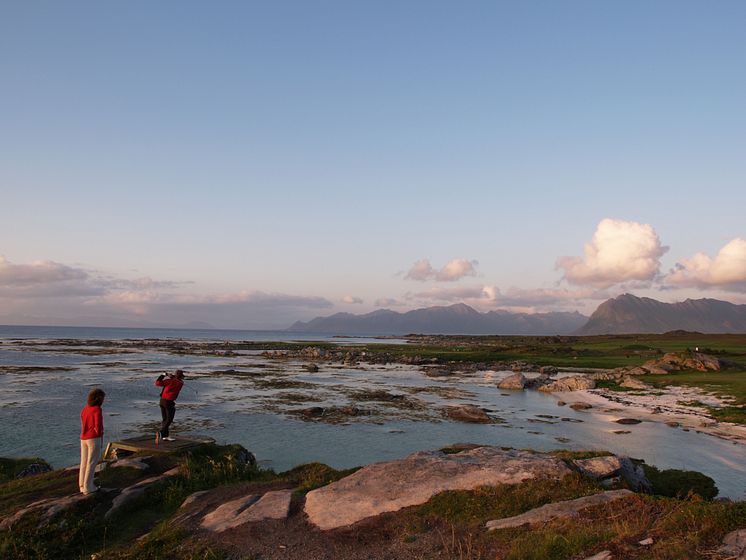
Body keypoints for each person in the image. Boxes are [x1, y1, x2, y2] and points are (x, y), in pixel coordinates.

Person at [79, 388, 105, 494]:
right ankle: (89, 487)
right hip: (93, 438)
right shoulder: (97, 409)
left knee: (84, 462)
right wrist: (101, 434)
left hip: (84, 437)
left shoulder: (85, 409)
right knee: (92, 462)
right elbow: (97, 425)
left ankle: (82, 485)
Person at [155, 369, 184, 442]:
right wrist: (171, 376)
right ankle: (161, 432)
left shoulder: (169, 381)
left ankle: (165, 436)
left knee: (165, 419)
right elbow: (177, 380)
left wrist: (163, 375)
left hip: (162, 401)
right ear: (181, 376)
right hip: (169, 402)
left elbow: (157, 383)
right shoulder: (181, 383)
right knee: (169, 419)